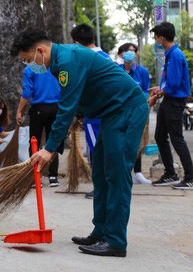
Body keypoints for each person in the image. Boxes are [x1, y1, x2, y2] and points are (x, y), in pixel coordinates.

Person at [11, 27, 148, 257]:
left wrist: (49, 149)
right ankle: (101, 231)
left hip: (126, 110)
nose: (29, 65)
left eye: (27, 60)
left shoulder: (66, 61)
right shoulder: (59, 60)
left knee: (117, 174)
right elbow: (82, 93)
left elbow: (65, 107)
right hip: (112, 113)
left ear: (40, 50)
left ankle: (115, 241)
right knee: (101, 172)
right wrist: (79, 116)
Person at [70, 24, 114, 199]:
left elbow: (80, 90)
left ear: (76, 42)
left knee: (96, 152)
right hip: (110, 113)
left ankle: (101, 189)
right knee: (106, 150)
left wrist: (76, 114)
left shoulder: (86, 60)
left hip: (96, 114)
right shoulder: (106, 58)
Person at [148, 22, 193, 189]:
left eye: (156, 36)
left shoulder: (175, 55)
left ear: (162, 38)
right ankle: (170, 174)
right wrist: (159, 89)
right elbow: (170, 82)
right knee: (160, 136)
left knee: (177, 139)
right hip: (169, 100)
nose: (155, 39)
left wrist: (159, 93)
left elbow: (173, 84)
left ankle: (190, 177)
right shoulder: (171, 54)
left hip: (174, 101)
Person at [16, 62, 63, 188]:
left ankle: (35, 177)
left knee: (34, 142)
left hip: (38, 109)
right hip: (56, 108)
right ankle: (53, 177)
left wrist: (19, 110)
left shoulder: (29, 69)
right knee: (53, 140)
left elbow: (27, 92)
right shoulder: (56, 65)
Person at [118, 42, 151, 184]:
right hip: (120, 111)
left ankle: (137, 173)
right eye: (127, 51)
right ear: (121, 54)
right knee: (121, 141)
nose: (130, 53)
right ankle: (123, 171)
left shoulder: (142, 72)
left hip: (138, 111)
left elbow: (145, 91)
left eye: (133, 51)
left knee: (137, 141)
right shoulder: (116, 70)